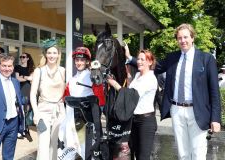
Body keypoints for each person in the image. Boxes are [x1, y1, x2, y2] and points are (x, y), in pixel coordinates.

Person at [127, 23, 221, 160]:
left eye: (185, 37)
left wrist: (215, 119)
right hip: (177, 110)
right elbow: (153, 66)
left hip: (198, 112)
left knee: (198, 153)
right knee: (182, 154)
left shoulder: (206, 59)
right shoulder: (172, 58)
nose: (183, 41)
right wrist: (131, 59)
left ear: (192, 38)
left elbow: (214, 92)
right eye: (179, 38)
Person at [108, 49, 158, 160]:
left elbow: (131, 96)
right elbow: (130, 88)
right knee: (132, 153)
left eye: (142, 59)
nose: (139, 61)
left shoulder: (150, 78)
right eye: (138, 59)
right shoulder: (137, 76)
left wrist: (114, 83)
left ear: (150, 62)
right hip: (132, 120)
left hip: (145, 122)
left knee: (143, 156)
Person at [58, 46, 105, 160]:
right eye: (77, 60)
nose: (79, 62)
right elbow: (65, 97)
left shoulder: (92, 76)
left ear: (88, 61)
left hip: (85, 120)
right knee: (72, 149)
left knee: (85, 149)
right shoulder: (72, 79)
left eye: (82, 60)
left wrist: (97, 83)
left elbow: (101, 99)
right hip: (71, 119)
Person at [30, 39, 66, 160]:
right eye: (49, 53)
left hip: (59, 111)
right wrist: (36, 112)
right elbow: (33, 94)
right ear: (45, 54)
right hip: (43, 111)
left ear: (58, 54)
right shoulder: (38, 71)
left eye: (54, 53)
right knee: (43, 145)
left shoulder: (63, 71)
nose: (52, 55)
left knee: (56, 144)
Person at [0, 55, 24, 159]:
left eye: (10, 66)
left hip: (13, 124)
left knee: (8, 157)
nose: (7, 69)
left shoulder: (15, 82)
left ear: (13, 67)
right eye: (4, 66)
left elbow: (16, 101)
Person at [15, 52, 35, 139]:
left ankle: (25, 128)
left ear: (27, 58)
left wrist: (23, 76)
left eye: (23, 57)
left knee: (27, 109)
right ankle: (19, 129)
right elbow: (17, 78)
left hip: (28, 89)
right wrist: (27, 78)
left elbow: (32, 78)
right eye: (21, 57)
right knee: (19, 109)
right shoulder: (17, 67)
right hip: (20, 89)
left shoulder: (31, 68)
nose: (22, 58)